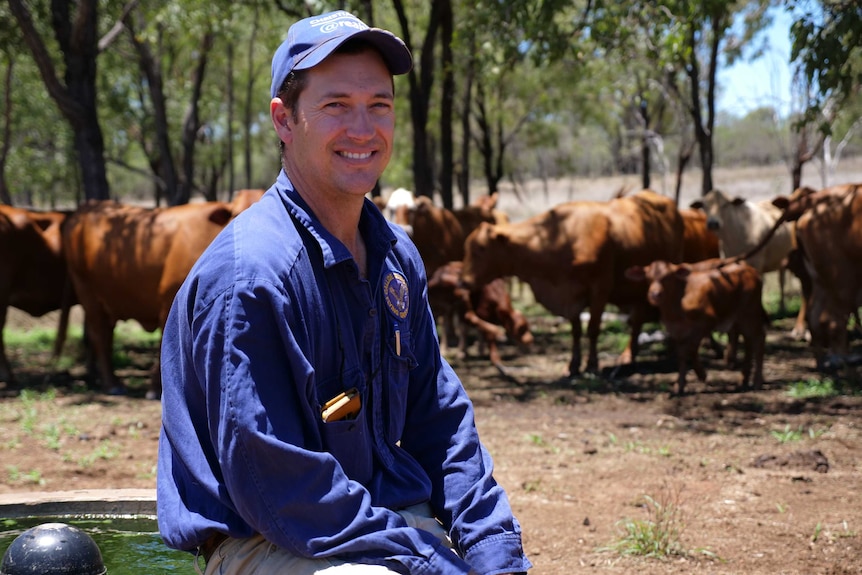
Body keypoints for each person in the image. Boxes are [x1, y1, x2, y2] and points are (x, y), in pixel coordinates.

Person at [156, 9, 531, 575]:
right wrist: (432, 563)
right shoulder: (251, 277)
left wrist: (493, 552)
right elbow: (278, 487)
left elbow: (441, 419)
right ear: (285, 121)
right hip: (274, 542)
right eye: (336, 106)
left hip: (388, 522)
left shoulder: (395, 257)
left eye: (378, 106)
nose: (363, 129)